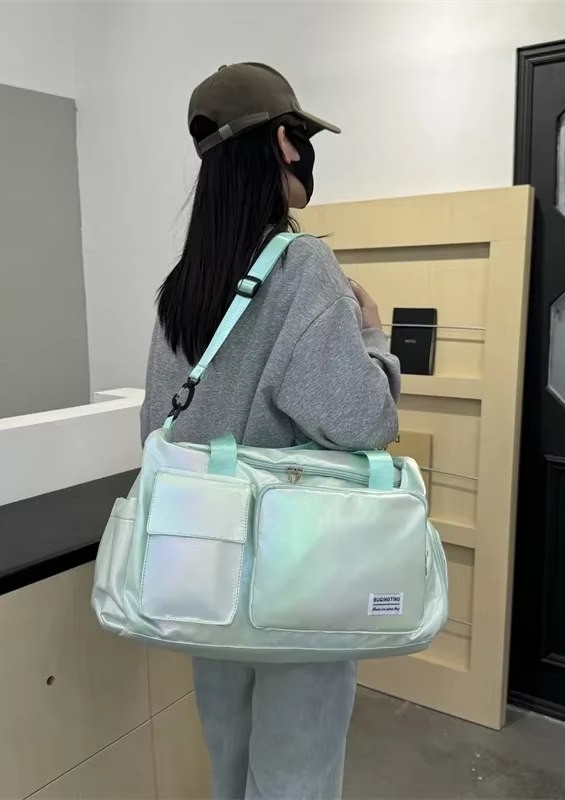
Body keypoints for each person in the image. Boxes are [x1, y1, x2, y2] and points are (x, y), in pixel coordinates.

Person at [141, 63, 400, 800]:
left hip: (206, 572)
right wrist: (373, 337)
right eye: (303, 137)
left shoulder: (181, 286)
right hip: (297, 577)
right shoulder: (303, 266)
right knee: (296, 778)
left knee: (228, 763)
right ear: (284, 143)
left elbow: (160, 428)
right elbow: (363, 421)